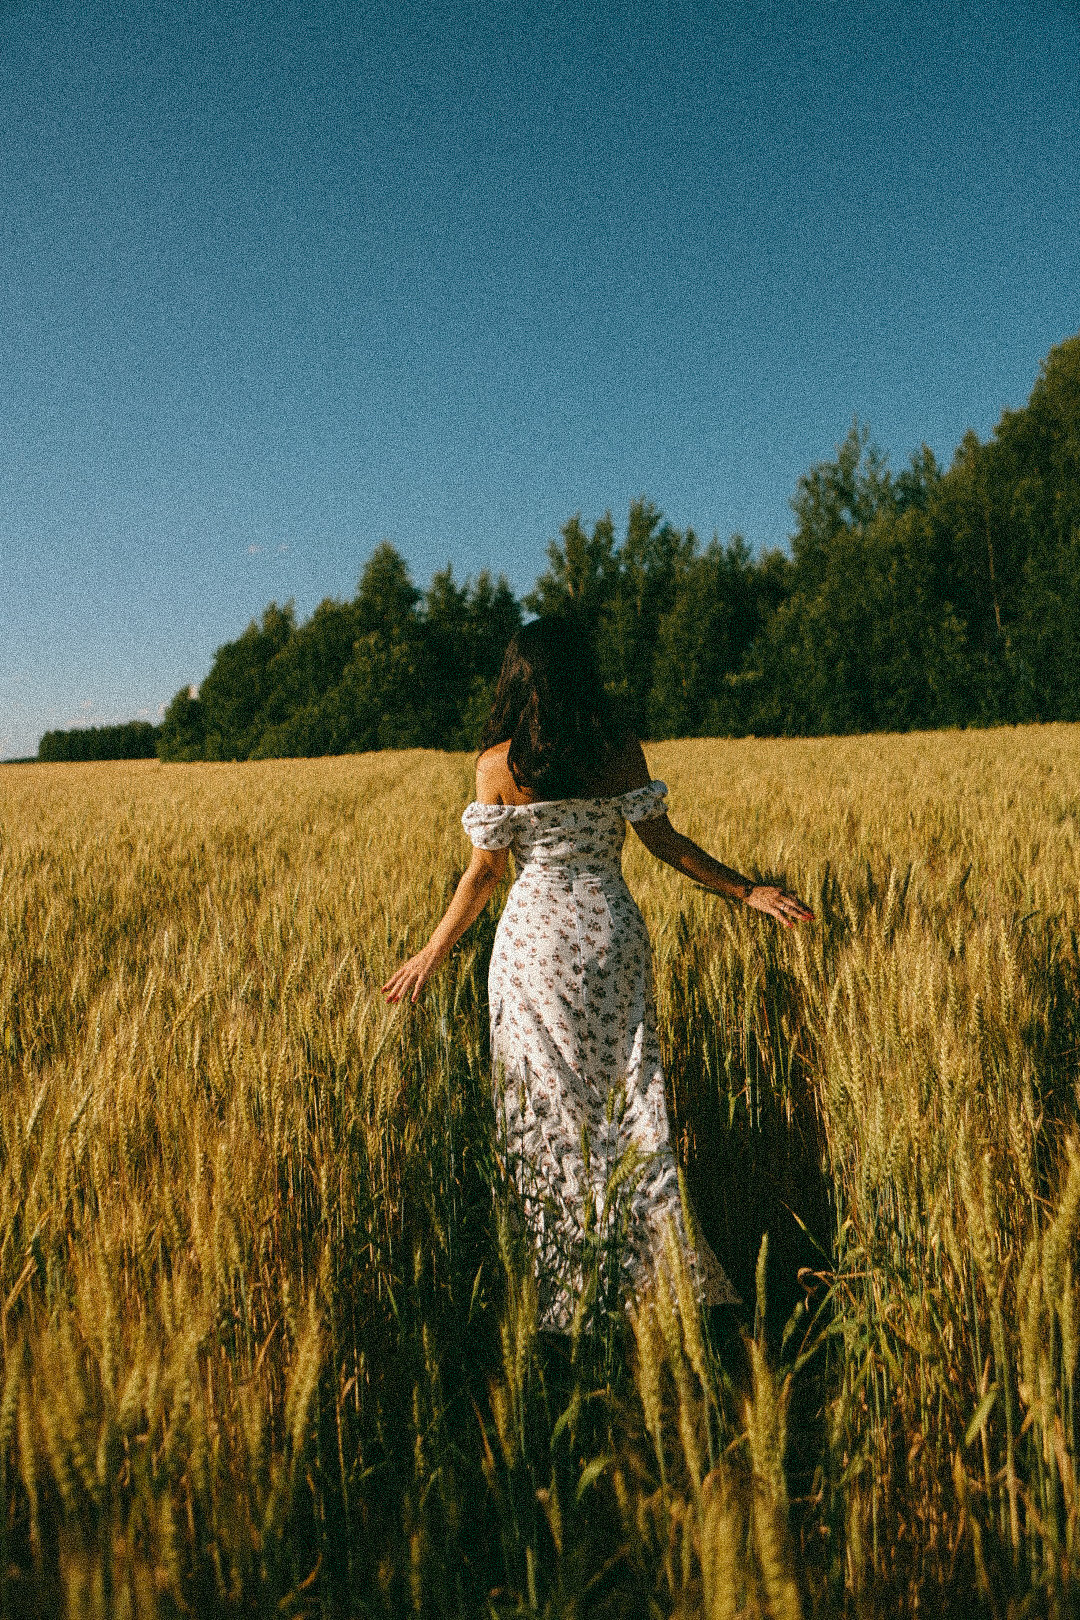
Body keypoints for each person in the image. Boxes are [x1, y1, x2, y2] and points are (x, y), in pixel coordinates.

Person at [382, 619, 814, 1330]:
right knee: (631, 1105)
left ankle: (564, 1296)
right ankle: (656, 1286)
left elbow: (484, 875)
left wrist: (433, 954)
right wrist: (746, 891)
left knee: (545, 1113)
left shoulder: (497, 766)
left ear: (517, 680)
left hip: (535, 950)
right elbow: (665, 843)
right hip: (611, 937)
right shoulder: (618, 751)